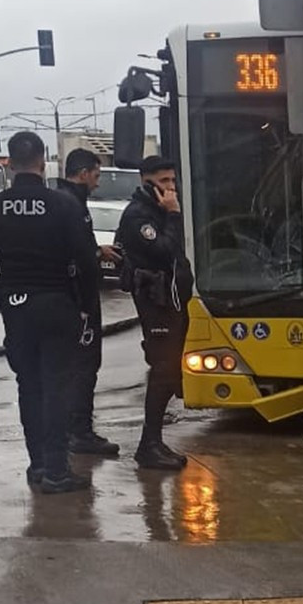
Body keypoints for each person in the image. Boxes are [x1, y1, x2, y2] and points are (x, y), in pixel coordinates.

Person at [0, 132, 98, 493]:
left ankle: (39, 464)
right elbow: (86, 262)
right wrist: (85, 308)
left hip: (17, 307)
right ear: (43, 163)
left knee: (29, 387)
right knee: (56, 387)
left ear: (10, 165)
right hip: (57, 304)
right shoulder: (61, 205)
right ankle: (58, 471)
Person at [116, 156, 193, 470]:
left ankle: (154, 442)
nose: (171, 188)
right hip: (156, 300)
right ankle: (149, 445)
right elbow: (164, 250)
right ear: (146, 181)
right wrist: (173, 215)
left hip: (170, 299)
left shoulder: (157, 211)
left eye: (173, 182)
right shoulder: (140, 216)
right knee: (162, 371)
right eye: (164, 182)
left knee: (168, 371)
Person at [57, 148, 120, 458]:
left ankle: (70, 429)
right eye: (95, 176)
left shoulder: (61, 199)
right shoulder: (73, 204)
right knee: (84, 366)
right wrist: (84, 304)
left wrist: (98, 251)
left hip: (64, 298)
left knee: (70, 367)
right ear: (82, 174)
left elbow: (74, 247)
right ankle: (79, 433)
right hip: (79, 302)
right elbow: (78, 256)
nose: (97, 183)